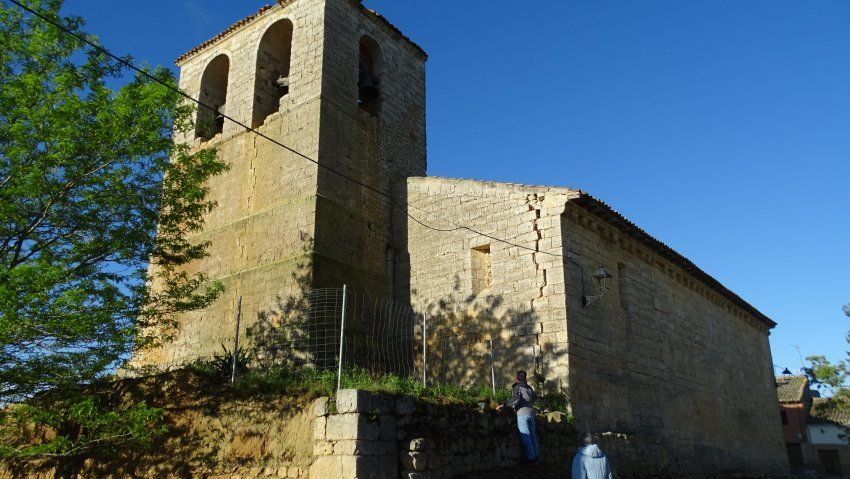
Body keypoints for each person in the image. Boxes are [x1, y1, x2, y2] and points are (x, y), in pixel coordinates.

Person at [497, 370, 540, 465]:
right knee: (532, 436)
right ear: (525, 378)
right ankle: (536, 456)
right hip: (531, 413)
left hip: (522, 414)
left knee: (525, 435)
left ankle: (531, 458)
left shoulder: (517, 387)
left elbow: (515, 399)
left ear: (517, 378)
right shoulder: (529, 388)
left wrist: (504, 405)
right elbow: (535, 398)